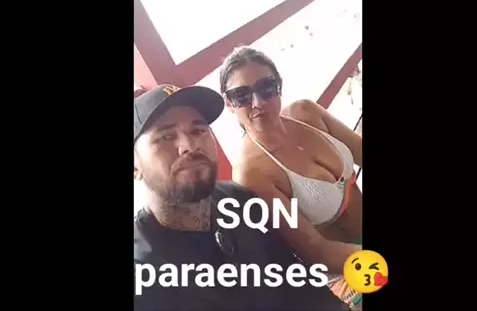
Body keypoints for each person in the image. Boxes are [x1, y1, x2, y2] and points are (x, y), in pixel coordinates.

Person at [133, 84, 348, 311]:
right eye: (166, 136)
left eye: (198, 130)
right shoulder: (144, 276)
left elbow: (302, 290)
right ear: (135, 166)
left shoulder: (239, 201)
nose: (190, 146)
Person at [218, 47, 365, 309]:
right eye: (242, 95)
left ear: (279, 86)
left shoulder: (307, 113)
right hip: (347, 269)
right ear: (229, 104)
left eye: (266, 88)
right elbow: (316, 250)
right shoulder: (251, 173)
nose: (258, 103)